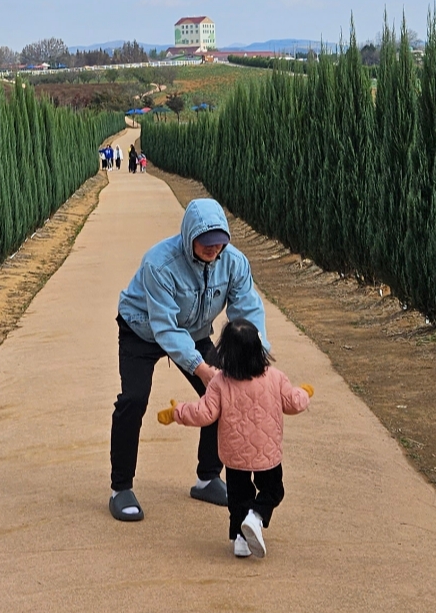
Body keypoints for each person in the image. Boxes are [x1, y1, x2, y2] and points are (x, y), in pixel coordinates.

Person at [108, 196, 267, 521]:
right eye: (205, 242)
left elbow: (247, 313)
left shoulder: (234, 263)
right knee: (133, 399)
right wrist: (200, 367)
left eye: (218, 242)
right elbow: (165, 327)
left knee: (226, 390)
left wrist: (255, 358)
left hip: (193, 330)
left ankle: (207, 478)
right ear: (188, 236)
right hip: (142, 329)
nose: (212, 249)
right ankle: (120, 488)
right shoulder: (159, 264)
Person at [159, 318, 312, 557]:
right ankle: (256, 515)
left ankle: (240, 540)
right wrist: (305, 392)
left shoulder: (220, 382)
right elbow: (293, 403)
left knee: (239, 497)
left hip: (234, 455)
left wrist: (177, 412)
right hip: (267, 453)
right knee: (273, 490)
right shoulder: (275, 377)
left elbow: (204, 413)